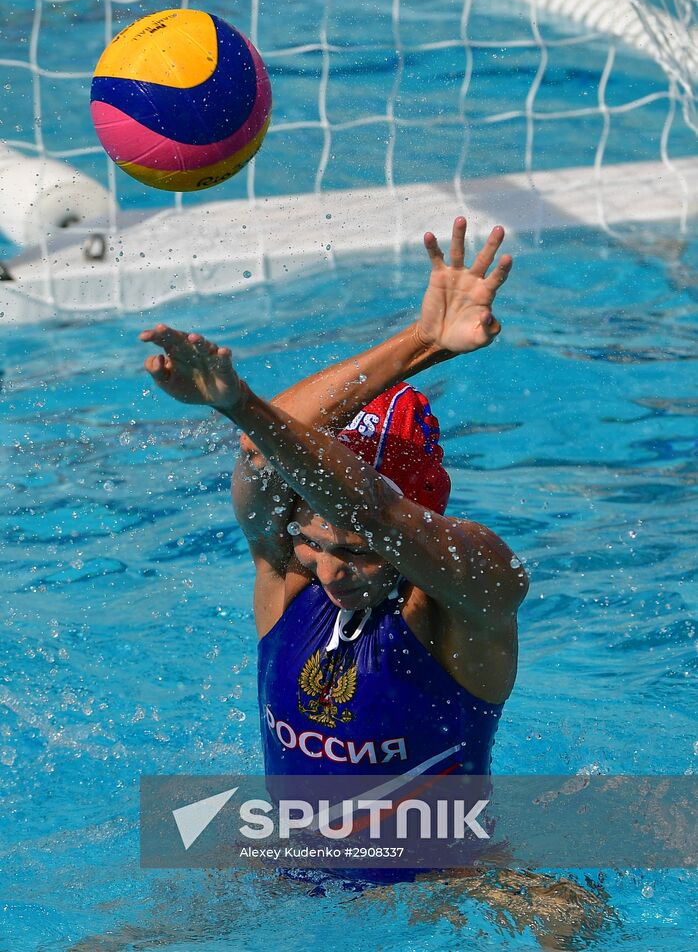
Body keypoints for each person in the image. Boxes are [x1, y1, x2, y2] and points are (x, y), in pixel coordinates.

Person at [140, 216, 527, 793]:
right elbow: (262, 454)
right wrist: (420, 340)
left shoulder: (473, 593)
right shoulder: (286, 570)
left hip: (447, 883)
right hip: (285, 876)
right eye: (314, 542)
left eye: (352, 550)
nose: (326, 570)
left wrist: (244, 404)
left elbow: (372, 512)